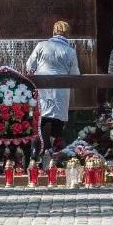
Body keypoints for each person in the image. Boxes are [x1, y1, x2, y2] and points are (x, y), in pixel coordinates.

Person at [26, 20, 80, 153]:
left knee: (42, 116)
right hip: (61, 90)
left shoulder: (41, 46)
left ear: (54, 32)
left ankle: (36, 148)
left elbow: (29, 65)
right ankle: (49, 148)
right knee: (58, 118)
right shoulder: (70, 51)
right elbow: (75, 74)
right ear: (67, 34)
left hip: (42, 87)